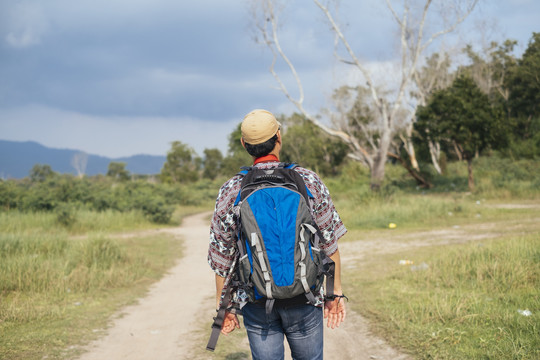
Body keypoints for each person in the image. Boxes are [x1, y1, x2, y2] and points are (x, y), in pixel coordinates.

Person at [208, 109, 347, 360]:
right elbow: (329, 241)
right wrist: (333, 294)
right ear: (278, 137)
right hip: (305, 298)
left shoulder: (231, 189)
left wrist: (224, 307)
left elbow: (221, 259)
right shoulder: (308, 181)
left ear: (244, 144)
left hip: (257, 303)